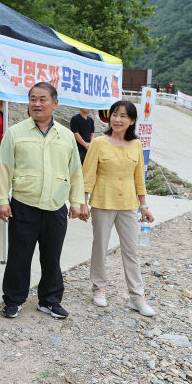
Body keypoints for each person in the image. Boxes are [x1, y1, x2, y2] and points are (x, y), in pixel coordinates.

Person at [0, 82, 83, 320]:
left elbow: (75, 171)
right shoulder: (15, 133)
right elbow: (3, 167)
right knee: (19, 257)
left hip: (55, 207)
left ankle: (50, 301)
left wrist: (76, 201)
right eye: (33, 99)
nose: (37, 104)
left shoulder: (65, 136)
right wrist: (2, 199)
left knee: (52, 257)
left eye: (42, 99)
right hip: (24, 204)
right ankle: (13, 300)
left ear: (55, 103)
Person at [80, 100, 156, 317]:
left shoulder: (137, 145)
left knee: (131, 251)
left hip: (129, 205)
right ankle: (99, 287)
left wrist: (144, 206)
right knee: (100, 246)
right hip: (103, 203)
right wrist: (83, 203)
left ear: (132, 121)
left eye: (123, 116)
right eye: (115, 114)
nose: (117, 119)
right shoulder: (99, 143)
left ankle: (137, 296)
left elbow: (139, 178)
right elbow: (88, 176)